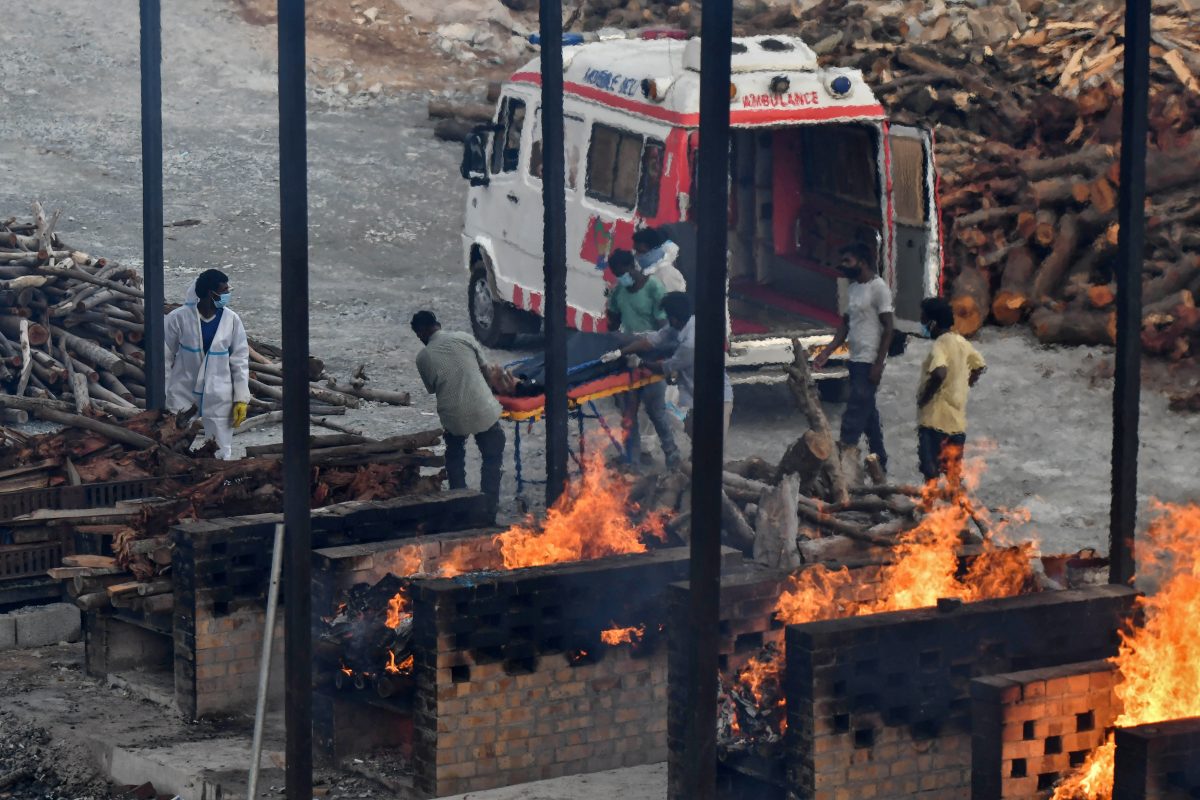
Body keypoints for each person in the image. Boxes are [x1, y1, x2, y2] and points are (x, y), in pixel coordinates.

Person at [813, 242, 895, 478]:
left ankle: (842, 464)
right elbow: (845, 326)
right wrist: (827, 351)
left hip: (870, 360)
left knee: (854, 413)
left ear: (862, 261)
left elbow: (889, 327)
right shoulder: (853, 288)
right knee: (869, 416)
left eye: (847, 260)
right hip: (856, 359)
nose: (843, 265)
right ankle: (881, 463)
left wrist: (879, 364)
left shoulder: (878, 288)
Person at [411, 310, 506, 512]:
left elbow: (432, 387)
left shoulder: (423, 357)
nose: (420, 339)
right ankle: (489, 506)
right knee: (492, 459)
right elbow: (486, 372)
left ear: (422, 331)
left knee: (454, 457)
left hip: (454, 417)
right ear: (437, 323)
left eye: (419, 335)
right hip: (484, 410)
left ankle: (459, 504)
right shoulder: (464, 338)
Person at [609, 292, 734, 443]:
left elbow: (664, 368)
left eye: (668, 316)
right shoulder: (680, 325)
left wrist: (640, 362)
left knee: (712, 450)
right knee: (694, 437)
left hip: (717, 399)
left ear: (673, 318)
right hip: (696, 395)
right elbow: (650, 341)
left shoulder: (691, 344)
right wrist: (620, 352)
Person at [164, 269, 250, 460]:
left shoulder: (231, 320)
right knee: (174, 441)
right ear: (211, 293)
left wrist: (241, 397)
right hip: (183, 388)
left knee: (219, 448)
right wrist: (165, 391)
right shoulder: (179, 318)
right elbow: (165, 356)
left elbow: (240, 359)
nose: (228, 294)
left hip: (219, 392)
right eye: (224, 290)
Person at [916, 297, 986, 482]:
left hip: (934, 421)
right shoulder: (961, 342)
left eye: (923, 319)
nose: (921, 323)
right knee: (953, 475)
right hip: (956, 423)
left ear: (933, 322)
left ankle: (929, 508)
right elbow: (979, 365)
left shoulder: (939, 345)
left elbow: (939, 372)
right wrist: (965, 384)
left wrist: (925, 397)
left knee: (931, 473)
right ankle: (957, 508)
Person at [606, 250, 667, 334]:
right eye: (617, 275)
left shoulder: (654, 286)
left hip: (649, 343)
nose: (621, 277)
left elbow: (663, 321)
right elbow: (614, 318)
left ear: (632, 265)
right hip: (628, 343)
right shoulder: (618, 290)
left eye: (622, 273)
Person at [632, 227, 687, 294]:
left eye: (640, 251)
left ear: (653, 250)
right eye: (635, 251)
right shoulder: (645, 271)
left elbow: (677, 301)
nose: (636, 255)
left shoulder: (667, 273)